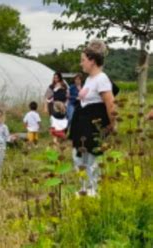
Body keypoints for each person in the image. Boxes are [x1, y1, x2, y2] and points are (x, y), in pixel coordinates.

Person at [69, 39, 116, 197]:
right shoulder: (89, 79)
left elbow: (110, 104)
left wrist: (112, 124)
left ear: (92, 61)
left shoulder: (102, 79)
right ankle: (84, 190)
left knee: (92, 161)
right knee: (79, 159)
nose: (81, 64)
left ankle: (94, 192)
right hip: (81, 126)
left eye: (83, 60)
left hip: (92, 127)